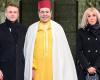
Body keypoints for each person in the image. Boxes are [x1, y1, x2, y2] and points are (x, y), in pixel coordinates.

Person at [24, 0, 78, 80]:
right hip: (37, 69)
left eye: (47, 12)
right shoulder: (32, 29)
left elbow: (64, 52)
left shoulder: (58, 28)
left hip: (54, 68)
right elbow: (27, 51)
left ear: (51, 13)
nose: (44, 14)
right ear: (38, 13)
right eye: (42, 12)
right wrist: (31, 68)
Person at [0, 3, 27, 80]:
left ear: (18, 14)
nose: (12, 14)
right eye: (10, 12)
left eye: (15, 12)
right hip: (4, 70)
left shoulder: (24, 29)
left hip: (20, 70)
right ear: (5, 13)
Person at [76, 7, 100, 80]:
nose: (91, 18)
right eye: (89, 16)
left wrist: (96, 67)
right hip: (84, 68)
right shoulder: (81, 32)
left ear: (97, 17)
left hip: (98, 67)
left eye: (94, 15)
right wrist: (88, 67)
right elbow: (79, 51)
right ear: (86, 18)